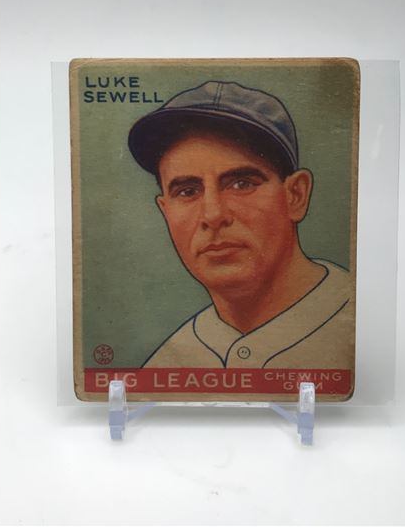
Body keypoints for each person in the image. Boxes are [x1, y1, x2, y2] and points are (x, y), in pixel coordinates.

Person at [127, 81, 354, 369]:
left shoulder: (364, 322)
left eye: (241, 184)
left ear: (295, 195)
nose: (213, 214)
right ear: (165, 211)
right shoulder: (162, 367)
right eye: (187, 191)